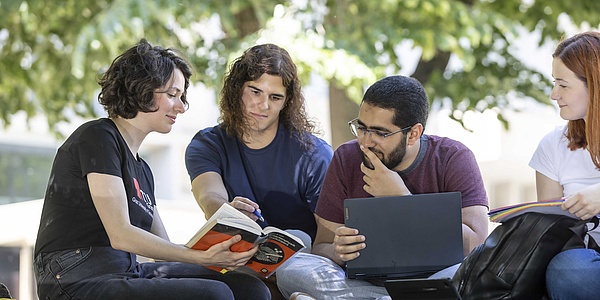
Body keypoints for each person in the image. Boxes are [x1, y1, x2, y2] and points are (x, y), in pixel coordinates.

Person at [33, 39, 270, 300]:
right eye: (172, 95)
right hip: (74, 275)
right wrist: (200, 256)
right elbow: (121, 234)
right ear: (140, 90)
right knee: (215, 294)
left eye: (181, 97)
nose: (181, 107)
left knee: (250, 288)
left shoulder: (143, 170)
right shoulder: (98, 136)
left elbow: (163, 250)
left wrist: (225, 236)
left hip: (124, 270)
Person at [277, 75, 489, 300]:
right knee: (290, 268)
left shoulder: (453, 158)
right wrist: (338, 251)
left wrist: (401, 199)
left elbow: (476, 248)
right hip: (361, 283)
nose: (366, 141)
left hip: (431, 282)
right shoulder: (346, 158)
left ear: (413, 134)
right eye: (361, 128)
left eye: (380, 132)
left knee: (461, 278)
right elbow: (322, 247)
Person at [184, 43, 333, 249]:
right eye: (255, 92)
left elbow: (328, 241)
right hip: (235, 259)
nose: (263, 105)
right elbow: (209, 197)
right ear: (237, 90)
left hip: (302, 266)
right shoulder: (208, 144)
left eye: (275, 97)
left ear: (286, 102)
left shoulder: (315, 156)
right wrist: (228, 212)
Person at [529, 31, 600, 300]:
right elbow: (550, 235)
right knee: (569, 269)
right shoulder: (553, 146)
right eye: (553, 83)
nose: (553, 94)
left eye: (563, 85)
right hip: (585, 268)